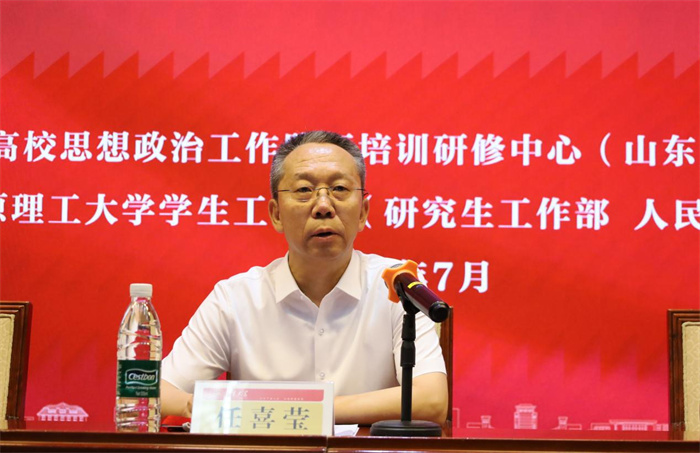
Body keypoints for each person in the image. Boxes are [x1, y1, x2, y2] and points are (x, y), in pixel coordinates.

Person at [161, 130, 448, 424]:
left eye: (339, 188)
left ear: (363, 212)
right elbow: (154, 392)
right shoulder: (236, 298)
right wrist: (206, 406)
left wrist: (297, 411)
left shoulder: (396, 286)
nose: (323, 206)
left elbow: (431, 400)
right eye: (303, 190)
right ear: (276, 214)